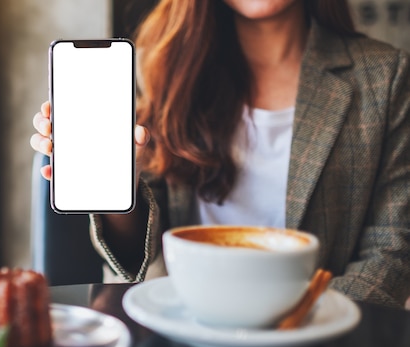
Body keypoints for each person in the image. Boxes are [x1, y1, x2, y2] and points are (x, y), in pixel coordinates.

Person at [31, 0, 410, 309]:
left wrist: (299, 319)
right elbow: (134, 254)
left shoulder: (383, 76)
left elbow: (392, 251)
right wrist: (121, 186)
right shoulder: (165, 70)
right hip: (189, 336)